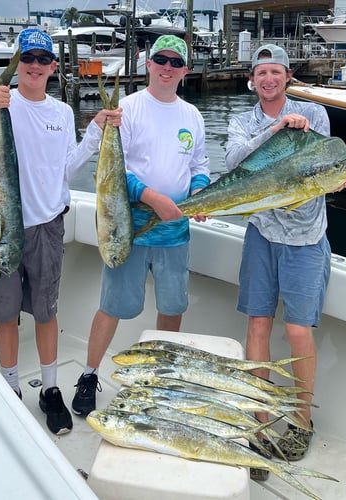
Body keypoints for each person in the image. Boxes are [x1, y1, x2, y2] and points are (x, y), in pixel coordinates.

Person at [0, 28, 121, 436]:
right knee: (4, 316)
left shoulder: (61, 113)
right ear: (17, 62)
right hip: (1, 229)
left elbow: (64, 170)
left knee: (46, 313)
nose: (35, 65)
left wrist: (96, 133)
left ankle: (50, 389)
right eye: (28, 58)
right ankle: (10, 386)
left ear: (54, 66)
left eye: (43, 59)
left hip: (46, 228)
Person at [225, 44, 346, 479]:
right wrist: (276, 129)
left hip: (305, 240)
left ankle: (301, 422)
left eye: (276, 72)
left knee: (297, 331)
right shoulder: (242, 121)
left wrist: (295, 129)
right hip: (261, 235)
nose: (268, 79)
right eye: (261, 72)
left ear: (288, 76)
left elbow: (331, 167)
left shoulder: (314, 115)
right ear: (252, 79)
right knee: (257, 325)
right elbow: (234, 164)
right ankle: (260, 425)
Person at [71, 35, 211, 416]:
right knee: (111, 306)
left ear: (185, 70)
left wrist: (199, 195)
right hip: (128, 228)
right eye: (160, 60)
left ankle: (162, 376)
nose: (167, 68)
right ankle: (88, 373)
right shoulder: (127, 109)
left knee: (172, 306)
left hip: (175, 232)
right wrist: (154, 198)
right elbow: (116, 171)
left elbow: (199, 166)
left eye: (175, 62)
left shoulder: (192, 116)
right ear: (148, 64)